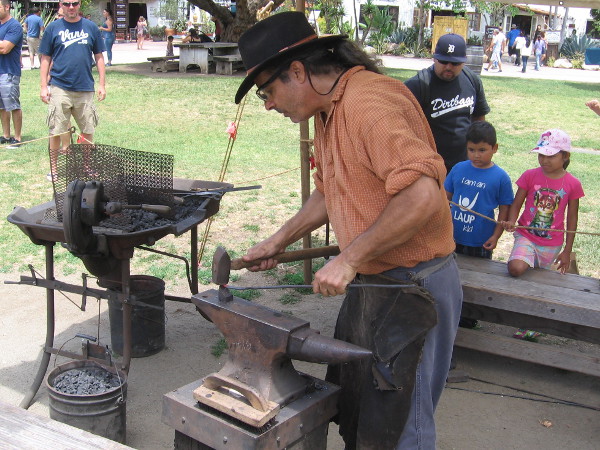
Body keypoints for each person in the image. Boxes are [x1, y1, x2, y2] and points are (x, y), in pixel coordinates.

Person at [234, 12, 462, 449]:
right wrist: (278, 240)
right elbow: (329, 190)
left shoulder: (370, 105)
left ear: (298, 71)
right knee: (365, 410)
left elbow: (421, 196)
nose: (267, 104)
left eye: (268, 90)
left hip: (414, 288)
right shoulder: (328, 110)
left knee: (401, 425)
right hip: (376, 283)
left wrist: (349, 258)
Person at [39, 0, 106, 181]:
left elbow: (99, 57)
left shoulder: (91, 27)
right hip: (60, 87)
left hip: (85, 88)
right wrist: (43, 86)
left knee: (87, 129)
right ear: (61, 4)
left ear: (79, 5)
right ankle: (53, 169)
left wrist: (102, 84)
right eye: (67, 3)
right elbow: (46, 58)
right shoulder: (53, 28)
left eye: (75, 3)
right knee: (56, 130)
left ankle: (86, 166)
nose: (71, 7)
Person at [503, 129, 584, 278]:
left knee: (539, 277)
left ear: (565, 156)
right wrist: (512, 220)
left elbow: (572, 218)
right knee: (516, 268)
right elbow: (516, 204)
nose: (544, 160)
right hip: (525, 235)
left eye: (551, 156)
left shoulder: (573, 184)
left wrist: (567, 250)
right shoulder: (529, 175)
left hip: (552, 243)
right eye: (541, 155)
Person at [405, 33, 490, 174]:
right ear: (434, 58)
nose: (449, 67)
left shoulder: (472, 80)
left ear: (464, 62)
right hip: (430, 168)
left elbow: (479, 119)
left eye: (455, 63)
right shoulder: (417, 85)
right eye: (443, 61)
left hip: (464, 166)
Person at [445, 121, 513, 259]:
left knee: (479, 276)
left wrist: (495, 236)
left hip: (481, 241)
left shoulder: (501, 177)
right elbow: (445, 199)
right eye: (471, 150)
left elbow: (505, 210)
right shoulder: (458, 168)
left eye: (482, 150)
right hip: (452, 237)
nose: (476, 155)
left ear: (495, 148)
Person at [0, 0, 23, 148]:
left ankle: (18, 137)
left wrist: (3, 44)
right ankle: (6, 135)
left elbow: (5, 48)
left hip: (9, 72)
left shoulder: (14, 26)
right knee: (2, 107)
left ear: (7, 7)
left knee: (13, 105)